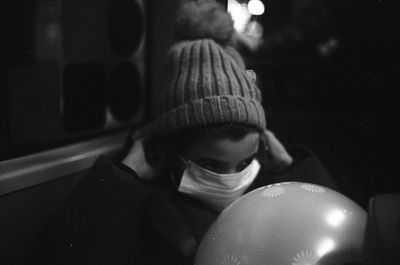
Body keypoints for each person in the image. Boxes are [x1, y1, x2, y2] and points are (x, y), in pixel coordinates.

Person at [48, 1, 340, 265]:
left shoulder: (268, 191)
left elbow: (336, 239)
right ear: (165, 152)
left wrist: (293, 167)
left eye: (244, 164)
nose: (232, 182)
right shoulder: (145, 211)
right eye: (211, 166)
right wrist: (126, 174)